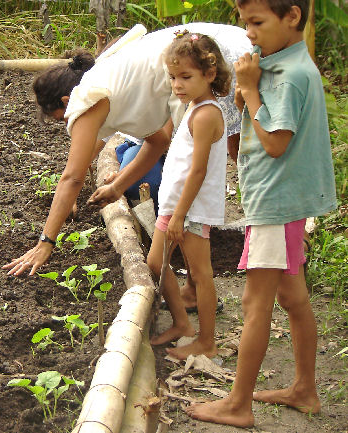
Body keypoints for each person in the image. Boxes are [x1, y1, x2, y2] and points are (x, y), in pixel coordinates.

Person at [185, 0, 337, 427]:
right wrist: (247, 91)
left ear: (291, 17)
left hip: (276, 203)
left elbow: (274, 144)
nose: (248, 33)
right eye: (244, 22)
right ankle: (304, 389)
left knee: (256, 302)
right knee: (292, 297)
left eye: (257, 22)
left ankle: (238, 404)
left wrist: (250, 92)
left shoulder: (287, 77)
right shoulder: (287, 64)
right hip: (281, 203)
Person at [3, 23, 251, 276]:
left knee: (237, 150)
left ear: (67, 103)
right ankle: (195, 276)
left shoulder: (86, 101)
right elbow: (158, 141)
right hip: (201, 57)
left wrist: (46, 242)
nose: (68, 126)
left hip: (216, 58)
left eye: (60, 119)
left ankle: (216, 264)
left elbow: (73, 176)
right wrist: (117, 187)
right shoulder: (108, 86)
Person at [146, 31, 230, 359]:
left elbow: (198, 171)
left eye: (185, 77)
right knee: (155, 262)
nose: (177, 85)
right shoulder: (193, 107)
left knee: (200, 273)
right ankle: (183, 323)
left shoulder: (207, 113)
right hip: (176, 205)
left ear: (209, 75)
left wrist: (180, 214)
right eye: (172, 77)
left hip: (190, 210)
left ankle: (206, 342)